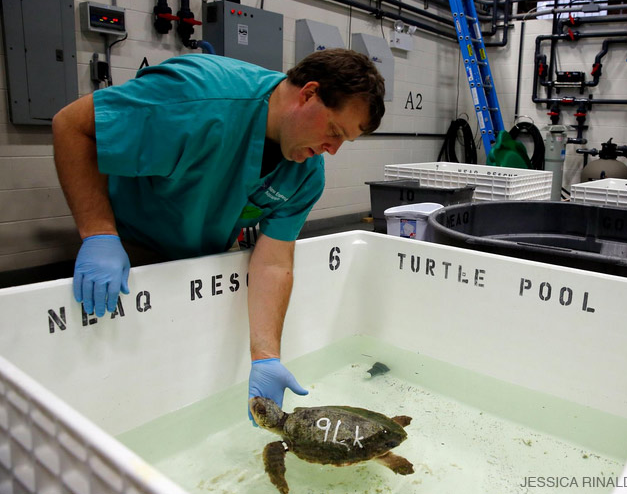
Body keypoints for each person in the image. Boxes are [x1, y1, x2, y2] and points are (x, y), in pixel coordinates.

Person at [52, 49, 385, 416]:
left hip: (205, 257)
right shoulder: (197, 97)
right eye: (334, 131)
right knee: (112, 386)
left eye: (344, 141)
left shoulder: (305, 174)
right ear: (308, 94)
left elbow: (273, 262)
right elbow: (72, 125)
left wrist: (266, 357)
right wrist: (98, 233)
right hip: (127, 253)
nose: (332, 150)